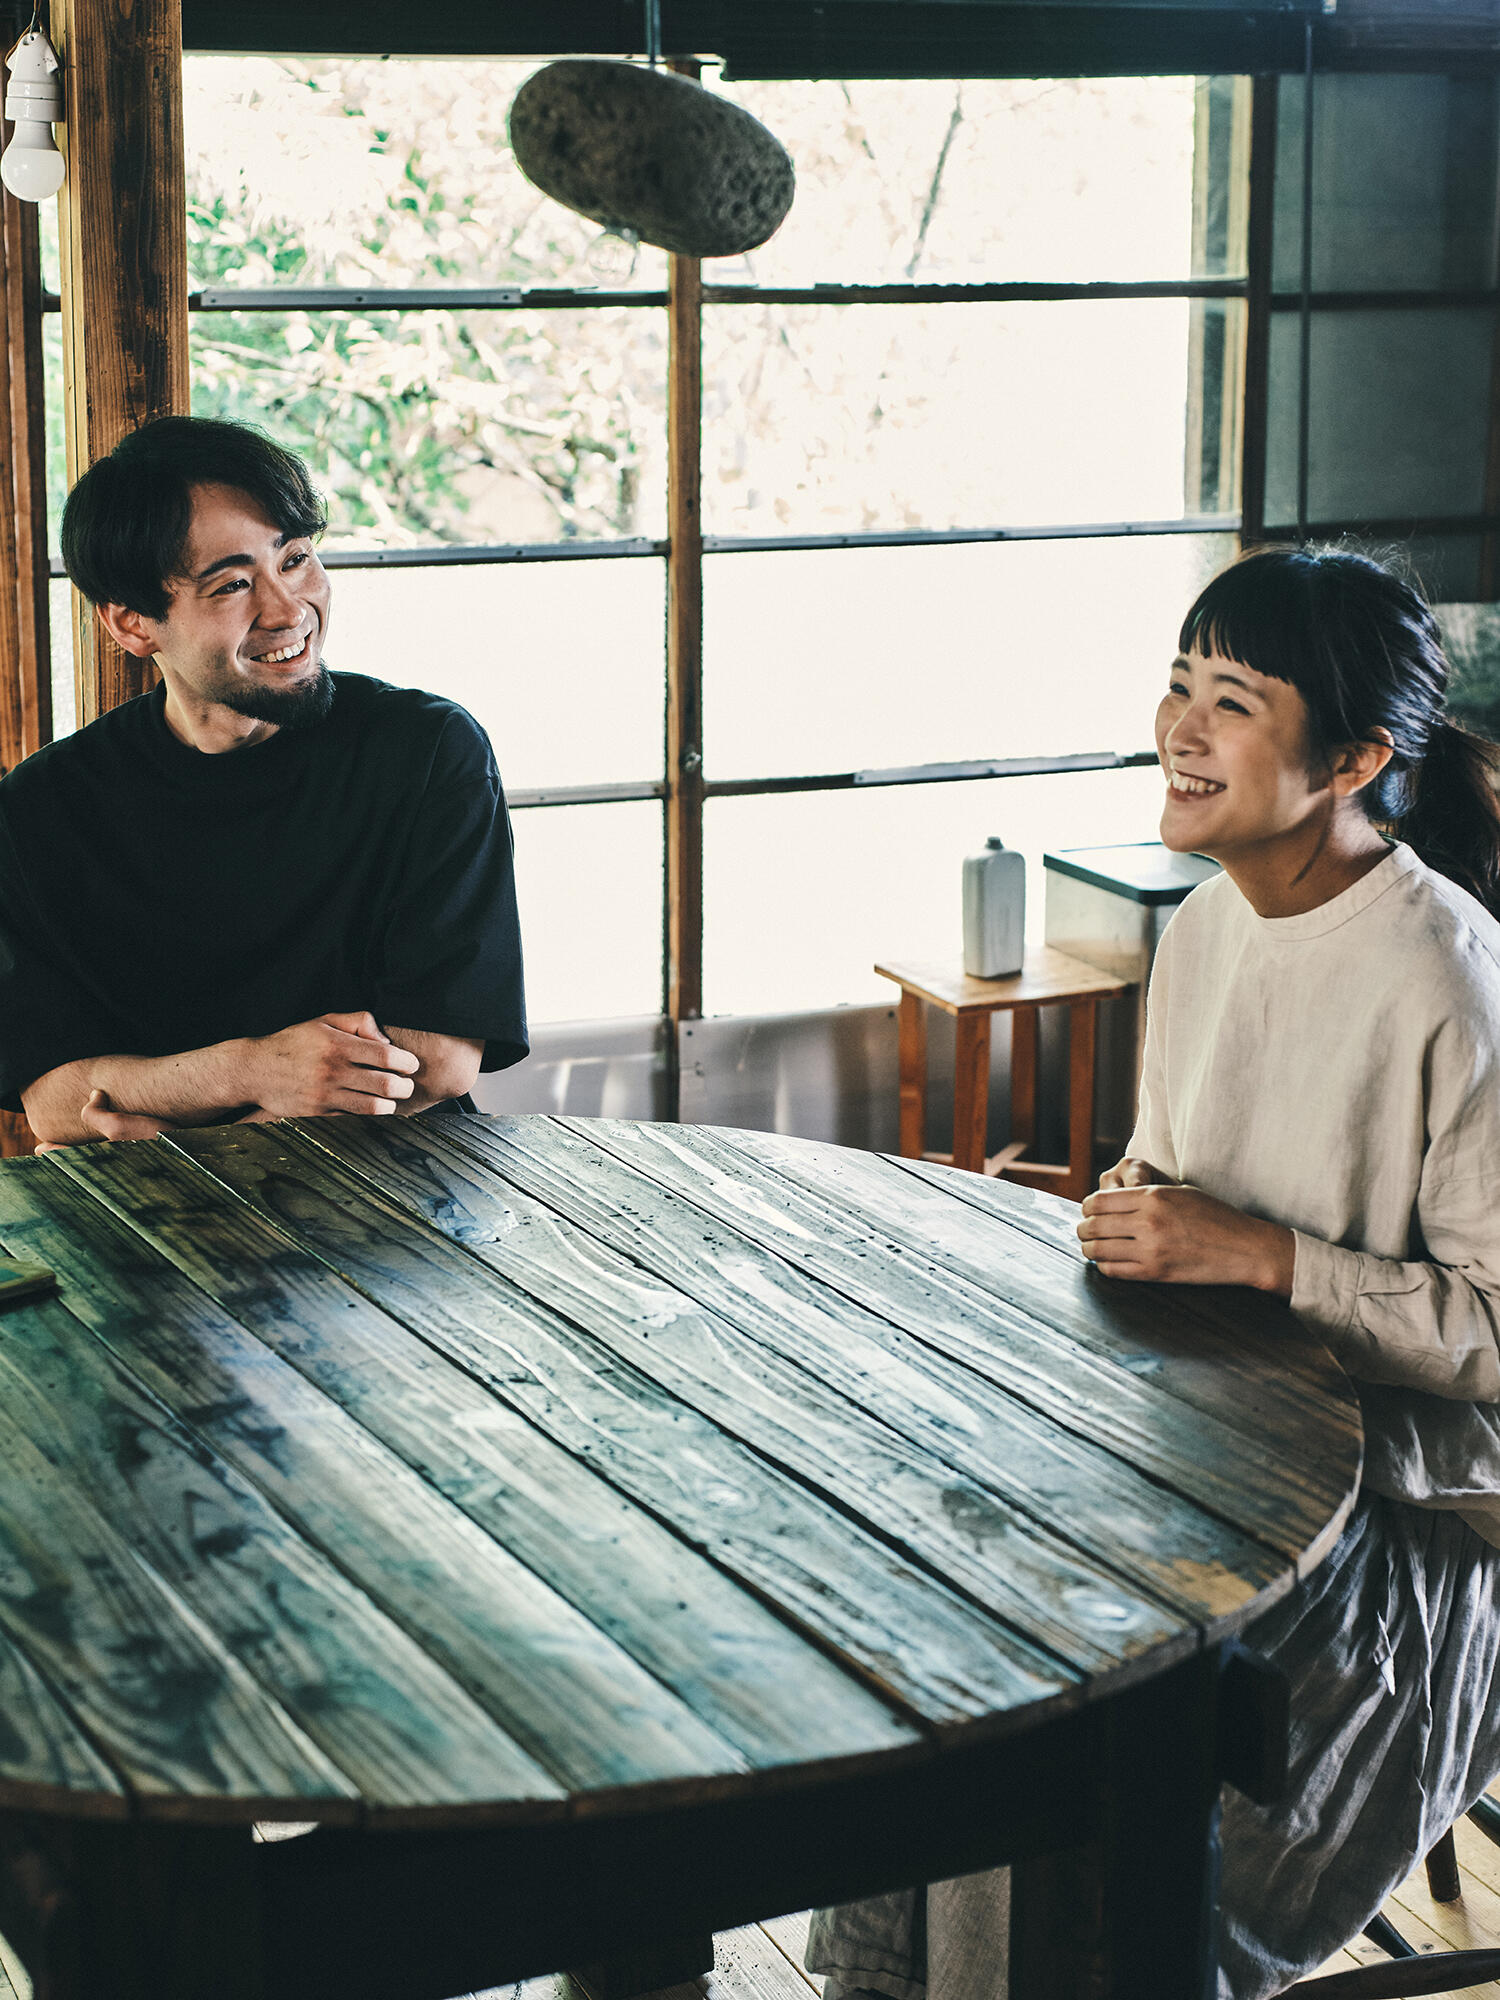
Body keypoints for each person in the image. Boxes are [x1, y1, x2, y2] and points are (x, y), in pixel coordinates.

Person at [806, 544, 1500, 1999]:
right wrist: (1143, 1209)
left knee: (1104, 1856)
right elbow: (1170, 1177)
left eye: (1231, 700)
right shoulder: (1203, 930)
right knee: (937, 1663)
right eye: (1178, 684)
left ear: (1358, 758)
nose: (1180, 727)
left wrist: (1265, 1259)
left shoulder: (1450, 980)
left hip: (1392, 1531)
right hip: (1197, 1462)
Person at [0, 416, 527, 1146]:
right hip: (151, 1219)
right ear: (133, 624)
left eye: (297, 559)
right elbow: (55, 1100)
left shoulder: (425, 751)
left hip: (400, 1191)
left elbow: (440, 1059)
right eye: (233, 584)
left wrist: (178, 1125)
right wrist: (250, 1070)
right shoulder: (45, 807)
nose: (288, 609)